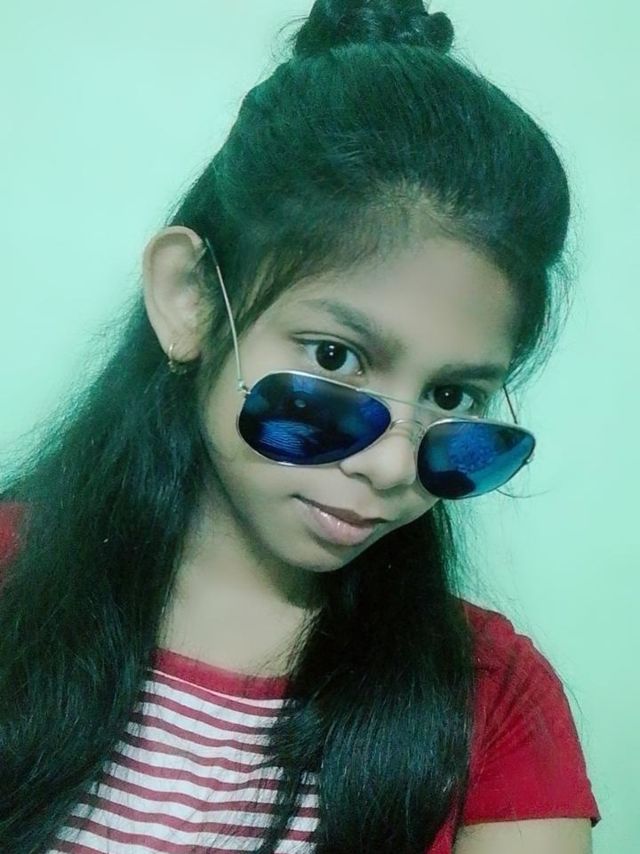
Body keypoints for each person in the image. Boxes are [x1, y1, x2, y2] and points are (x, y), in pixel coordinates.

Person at [0, 1, 601, 852]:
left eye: (453, 396)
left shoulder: (499, 702)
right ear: (192, 300)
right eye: (335, 356)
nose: (393, 466)